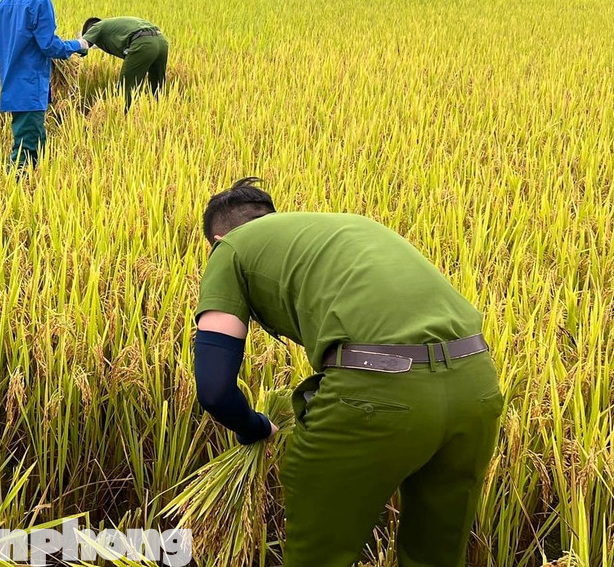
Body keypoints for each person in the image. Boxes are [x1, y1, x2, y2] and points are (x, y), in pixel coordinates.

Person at [193, 178, 503, 567]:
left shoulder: (230, 249)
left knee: (318, 557)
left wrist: (256, 427)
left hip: (380, 393)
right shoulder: (345, 227)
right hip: (476, 386)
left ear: (219, 239)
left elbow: (214, 388)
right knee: (436, 555)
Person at [0, 0, 88, 170]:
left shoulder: (3, 3)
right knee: (25, 152)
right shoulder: (40, 0)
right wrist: (78, 45)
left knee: (37, 144)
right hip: (31, 87)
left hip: (12, 87)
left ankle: (36, 191)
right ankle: (11, 195)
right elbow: (49, 46)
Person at [80, 16, 169, 111]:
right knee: (158, 84)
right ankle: (159, 110)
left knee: (127, 86)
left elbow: (83, 44)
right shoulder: (112, 26)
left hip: (143, 44)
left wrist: (67, 51)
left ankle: (124, 115)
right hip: (161, 41)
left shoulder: (97, 27)